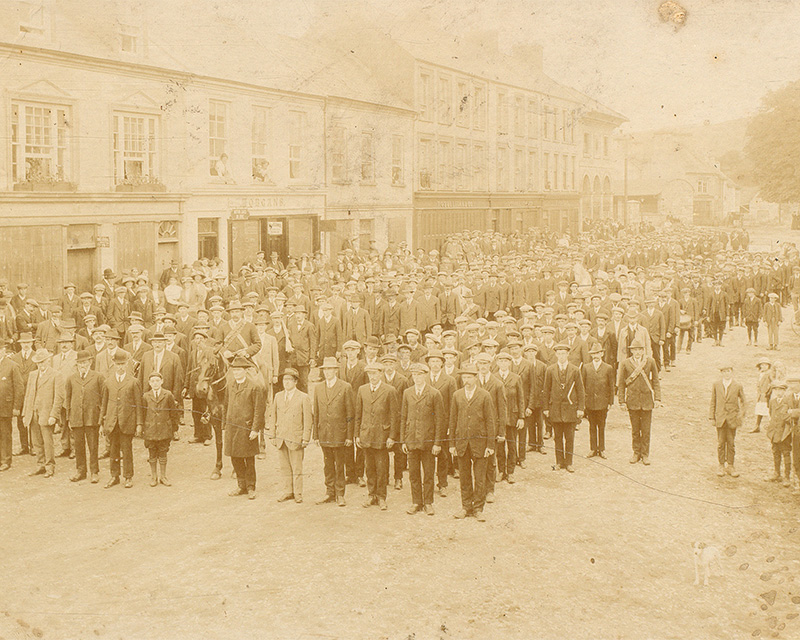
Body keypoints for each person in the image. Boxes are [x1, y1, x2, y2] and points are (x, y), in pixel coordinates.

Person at [449, 363, 495, 521]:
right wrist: (451, 444)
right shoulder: (457, 395)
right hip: (462, 443)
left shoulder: (484, 395)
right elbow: (452, 420)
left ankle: (478, 508)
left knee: (480, 477)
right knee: (464, 476)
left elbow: (490, 421)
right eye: (464, 377)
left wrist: (490, 445)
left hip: (480, 443)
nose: (466, 380)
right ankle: (465, 507)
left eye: (469, 377)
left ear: (475, 378)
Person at [400, 362, 444, 515]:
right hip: (411, 440)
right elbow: (403, 417)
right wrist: (403, 440)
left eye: (420, 374)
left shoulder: (434, 393)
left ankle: (428, 502)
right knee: (413, 473)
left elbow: (440, 420)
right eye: (414, 375)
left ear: (425, 375)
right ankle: (416, 501)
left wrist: (437, 443)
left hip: (428, 441)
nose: (417, 378)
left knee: (429, 473)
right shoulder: (407, 393)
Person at [355, 362, 399, 511]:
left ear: (381, 374)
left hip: (382, 436)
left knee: (381, 467)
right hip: (366, 435)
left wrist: (392, 436)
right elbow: (358, 415)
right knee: (370, 467)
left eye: (375, 374)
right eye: (370, 374)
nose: (372, 377)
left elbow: (394, 416)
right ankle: (371, 494)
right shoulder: (362, 390)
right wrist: (357, 435)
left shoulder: (389, 390)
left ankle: (381, 496)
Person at [312, 357, 355, 506]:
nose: (327, 372)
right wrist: (315, 435)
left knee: (339, 464)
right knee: (327, 464)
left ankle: (340, 493)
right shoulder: (318, 388)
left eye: (330, 369)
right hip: (324, 433)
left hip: (340, 433)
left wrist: (349, 436)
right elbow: (316, 413)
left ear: (336, 370)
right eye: (325, 369)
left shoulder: (345, 387)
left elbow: (350, 414)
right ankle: (329, 492)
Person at [224, 355, 266, 500]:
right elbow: (226, 405)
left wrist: (255, 429)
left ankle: (251, 487)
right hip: (232, 428)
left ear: (245, 371)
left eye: (239, 370)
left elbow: (258, 410)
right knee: (235, 458)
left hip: (247, 429)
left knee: (249, 459)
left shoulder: (254, 387)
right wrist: (225, 424)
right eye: (234, 370)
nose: (236, 373)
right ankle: (241, 485)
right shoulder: (230, 385)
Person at [269, 368, 313, 504]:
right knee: (284, 467)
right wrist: (272, 435)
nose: (286, 383)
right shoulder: (278, 396)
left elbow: (308, 420)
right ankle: (288, 491)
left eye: (289, 380)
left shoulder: (303, 397)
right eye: (284, 380)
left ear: (295, 382)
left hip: (296, 438)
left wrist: (305, 438)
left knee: (297, 467)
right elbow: (273, 416)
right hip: (281, 437)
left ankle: (298, 493)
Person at [100, 350, 143, 488]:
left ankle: (128, 476)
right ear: (114, 364)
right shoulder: (108, 382)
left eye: (123, 364)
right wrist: (101, 423)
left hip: (127, 421)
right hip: (112, 422)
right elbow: (104, 404)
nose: (120, 367)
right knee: (113, 449)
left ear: (127, 364)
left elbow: (138, 405)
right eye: (118, 364)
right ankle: (114, 476)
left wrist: (139, 424)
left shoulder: (133, 382)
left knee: (127, 449)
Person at [617, 337, 661, 465]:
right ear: (631, 351)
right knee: (635, 429)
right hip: (633, 400)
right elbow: (621, 383)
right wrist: (622, 401)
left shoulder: (650, 362)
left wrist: (657, 398)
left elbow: (656, 381)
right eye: (634, 350)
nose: (637, 352)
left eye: (639, 349)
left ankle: (645, 454)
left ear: (643, 351)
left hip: (647, 401)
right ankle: (636, 452)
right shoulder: (625, 363)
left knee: (646, 429)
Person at [543, 343, 585, 473]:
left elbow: (580, 391)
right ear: (556, 354)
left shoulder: (575, 370)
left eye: (564, 353)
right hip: (555, 409)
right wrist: (546, 408)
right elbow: (546, 390)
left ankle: (569, 462)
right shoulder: (550, 370)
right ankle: (559, 461)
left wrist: (580, 408)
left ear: (568, 354)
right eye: (559, 353)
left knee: (569, 437)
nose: (561, 356)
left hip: (570, 409)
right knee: (557, 438)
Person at [63, 350, 102, 483]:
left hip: (92, 418)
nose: (82, 365)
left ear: (90, 362)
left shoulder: (98, 377)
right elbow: (67, 399)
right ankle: (81, 471)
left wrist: (101, 418)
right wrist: (68, 418)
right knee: (78, 446)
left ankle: (94, 472)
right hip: (76, 418)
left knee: (93, 446)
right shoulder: (71, 378)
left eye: (84, 362)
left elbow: (103, 399)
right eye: (80, 363)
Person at [22, 349, 62, 478]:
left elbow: (58, 397)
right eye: (38, 363)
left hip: (46, 413)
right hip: (33, 413)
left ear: (48, 360)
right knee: (36, 441)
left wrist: (53, 415)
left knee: (47, 441)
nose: (41, 365)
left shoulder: (56, 375)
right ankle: (40, 465)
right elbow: (28, 395)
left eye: (43, 362)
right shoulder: (33, 375)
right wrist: (25, 414)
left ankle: (50, 466)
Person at [142, 371, 181, 487]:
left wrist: (174, 428)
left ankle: (163, 476)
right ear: (149, 383)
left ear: (162, 382)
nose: (155, 383)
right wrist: (143, 428)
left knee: (163, 452)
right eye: (152, 381)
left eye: (157, 381)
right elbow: (143, 413)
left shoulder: (168, 395)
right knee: (152, 453)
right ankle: (154, 477)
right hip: (151, 430)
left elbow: (173, 412)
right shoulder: (145, 396)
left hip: (165, 429)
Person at [708, 364, 746, 478]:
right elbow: (713, 401)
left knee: (731, 443)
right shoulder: (716, 384)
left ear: (732, 372)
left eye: (728, 371)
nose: (726, 373)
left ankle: (730, 465)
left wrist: (740, 416)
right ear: (721, 373)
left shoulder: (737, 385)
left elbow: (744, 402)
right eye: (724, 371)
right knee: (720, 443)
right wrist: (712, 417)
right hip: (720, 418)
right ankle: (721, 465)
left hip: (732, 419)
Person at [495, 351, 525, 483]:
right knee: (499, 447)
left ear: (509, 363)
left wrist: (521, 417)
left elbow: (521, 399)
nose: (503, 364)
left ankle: (511, 471)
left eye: (506, 361)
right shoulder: (493, 377)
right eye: (500, 361)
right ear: (497, 363)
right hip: (498, 419)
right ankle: (501, 471)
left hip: (512, 417)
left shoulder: (516, 378)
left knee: (512, 446)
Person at [581, 343, 615, 459]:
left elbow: (611, 386)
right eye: (593, 354)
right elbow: (582, 386)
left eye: (598, 353)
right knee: (591, 426)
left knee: (601, 426)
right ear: (591, 355)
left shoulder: (608, 368)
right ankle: (593, 449)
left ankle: (601, 449)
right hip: (590, 403)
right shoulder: (586, 367)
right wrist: (583, 402)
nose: (596, 355)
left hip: (602, 403)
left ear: (602, 353)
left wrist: (610, 402)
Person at [0, 340, 24, 471]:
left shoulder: (12, 366)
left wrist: (16, 407)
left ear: (4, 351)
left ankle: (5, 460)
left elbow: (19, 388)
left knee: (5, 434)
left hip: (5, 407)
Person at [765, 381, 791, 487]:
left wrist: (785, 430)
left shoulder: (789, 402)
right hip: (774, 432)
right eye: (776, 390)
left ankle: (787, 477)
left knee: (786, 453)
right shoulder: (772, 401)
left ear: (784, 391)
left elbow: (789, 418)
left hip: (784, 432)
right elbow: (772, 414)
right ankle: (777, 473)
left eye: (780, 390)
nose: (778, 392)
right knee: (775, 452)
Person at [751, 356, 773, 433]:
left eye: (766, 365)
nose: (763, 366)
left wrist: (768, 392)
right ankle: (757, 426)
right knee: (759, 410)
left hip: (767, 396)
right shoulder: (760, 374)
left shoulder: (769, 374)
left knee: (768, 411)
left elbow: (772, 384)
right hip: (760, 396)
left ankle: (772, 427)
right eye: (762, 365)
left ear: (768, 366)